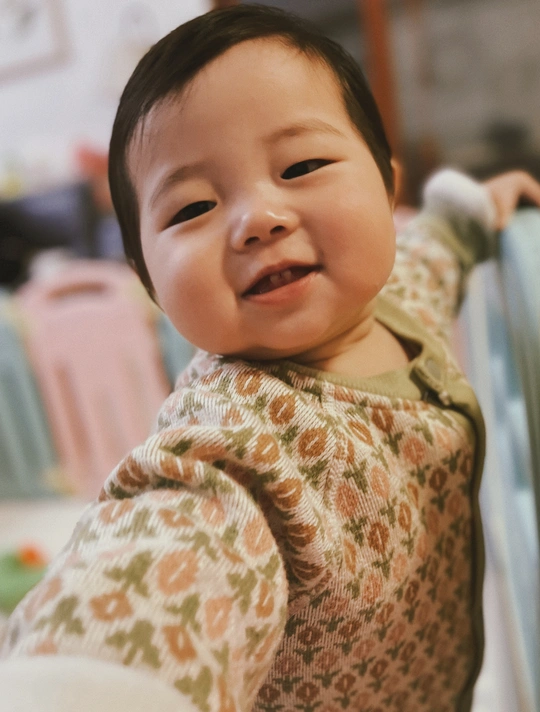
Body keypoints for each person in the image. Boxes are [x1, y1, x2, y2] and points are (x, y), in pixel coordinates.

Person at [2, 5, 540, 711]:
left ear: (387, 188)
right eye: (192, 208)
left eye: (301, 166)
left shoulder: (395, 305)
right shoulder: (239, 440)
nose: (257, 219)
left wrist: (464, 218)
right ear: (150, 281)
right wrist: (81, 683)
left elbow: (427, 259)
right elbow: (163, 561)